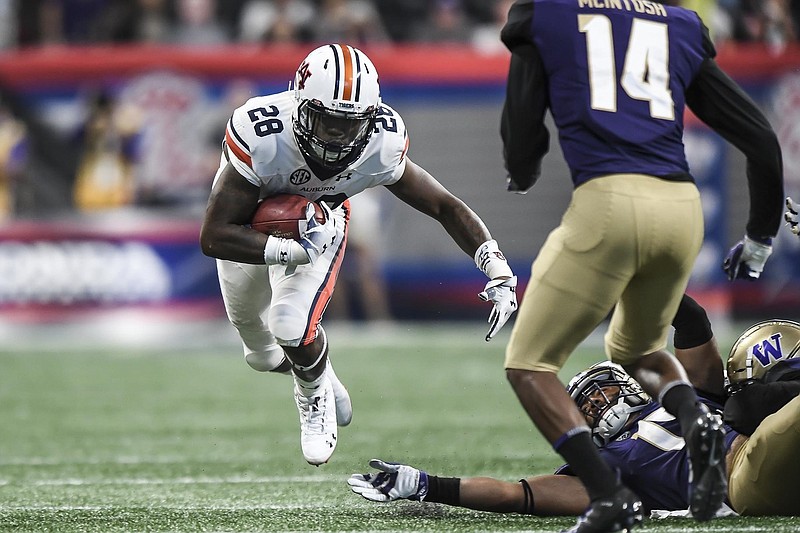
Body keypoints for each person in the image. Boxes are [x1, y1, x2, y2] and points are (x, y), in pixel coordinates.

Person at [496, 0, 784, 530]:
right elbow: (760, 139)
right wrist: (760, 236)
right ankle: (696, 417)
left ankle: (608, 496)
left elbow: (522, 122)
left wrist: (522, 168)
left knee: (529, 365)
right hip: (681, 208)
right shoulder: (678, 22)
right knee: (633, 348)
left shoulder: (546, 14)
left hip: (606, 201)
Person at [199, 44, 518, 467]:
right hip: (251, 235)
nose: (336, 136)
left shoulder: (382, 143)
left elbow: (444, 205)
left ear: (371, 119)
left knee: (290, 326)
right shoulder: (261, 131)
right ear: (298, 105)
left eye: (349, 125)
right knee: (260, 354)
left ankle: (311, 396)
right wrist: (285, 250)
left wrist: (494, 265)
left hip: (320, 227)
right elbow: (215, 235)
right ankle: (318, 370)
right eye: (325, 121)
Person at [348, 295, 800, 519]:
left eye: (602, 390)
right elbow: (516, 495)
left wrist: (623, 283)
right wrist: (427, 485)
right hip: (744, 475)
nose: (599, 404)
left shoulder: (691, 395)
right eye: (585, 405)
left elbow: (690, 319)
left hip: (764, 453)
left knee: (752, 404)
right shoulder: (604, 466)